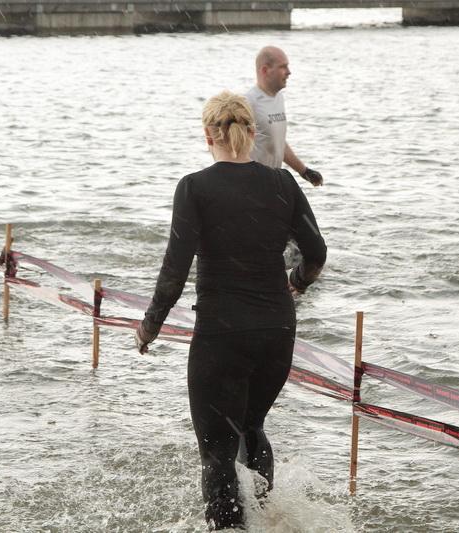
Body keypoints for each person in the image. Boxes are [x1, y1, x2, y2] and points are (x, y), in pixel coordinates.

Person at [135, 91, 327, 530]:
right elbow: (316, 253)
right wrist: (296, 282)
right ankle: (267, 517)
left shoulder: (194, 188)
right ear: (253, 133)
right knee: (252, 426)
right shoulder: (284, 183)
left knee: (217, 450)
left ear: (208, 135)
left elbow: (174, 271)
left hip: (222, 335)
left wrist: (149, 327)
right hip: (277, 330)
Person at [245, 46, 324, 187]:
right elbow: (231, 148)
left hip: (273, 183)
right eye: (283, 67)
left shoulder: (279, 98)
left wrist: (304, 171)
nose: (289, 72)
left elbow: (278, 143)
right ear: (265, 70)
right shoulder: (248, 102)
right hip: (252, 185)